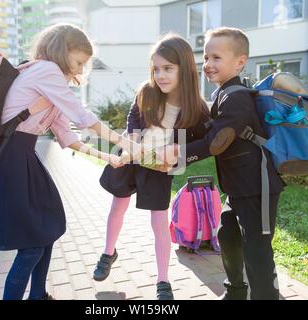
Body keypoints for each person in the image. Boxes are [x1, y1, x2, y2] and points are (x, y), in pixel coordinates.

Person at [0, 23, 139, 300]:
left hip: (23, 157)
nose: (81, 70)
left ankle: (38, 295)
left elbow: (66, 135)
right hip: (9, 159)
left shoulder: (47, 81)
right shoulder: (46, 71)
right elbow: (82, 117)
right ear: (63, 50)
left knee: (47, 229)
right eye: (79, 61)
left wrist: (108, 157)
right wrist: (127, 143)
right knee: (32, 245)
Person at [158, 27, 285, 300]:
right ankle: (235, 292)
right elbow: (205, 132)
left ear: (240, 61)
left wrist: (178, 155)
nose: (208, 64)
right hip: (240, 186)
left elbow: (217, 141)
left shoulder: (236, 97)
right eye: (205, 58)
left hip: (258, 186)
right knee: (227, 234)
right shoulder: (222, 95)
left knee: (257, 249)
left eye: (216, 57)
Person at [94, 33, 210, 300]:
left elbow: (205, 143)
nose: (160, 75)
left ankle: (162, 280)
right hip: (132, 159)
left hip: (159, 168)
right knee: (117, 206)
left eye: (168, 68)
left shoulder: (197, 108)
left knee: (159, 222)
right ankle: (108, 253)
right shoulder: (146, 91)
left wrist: (179, 156)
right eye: (156, 68)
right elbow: (134, 116)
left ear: (185, 68)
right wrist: (132, 136)